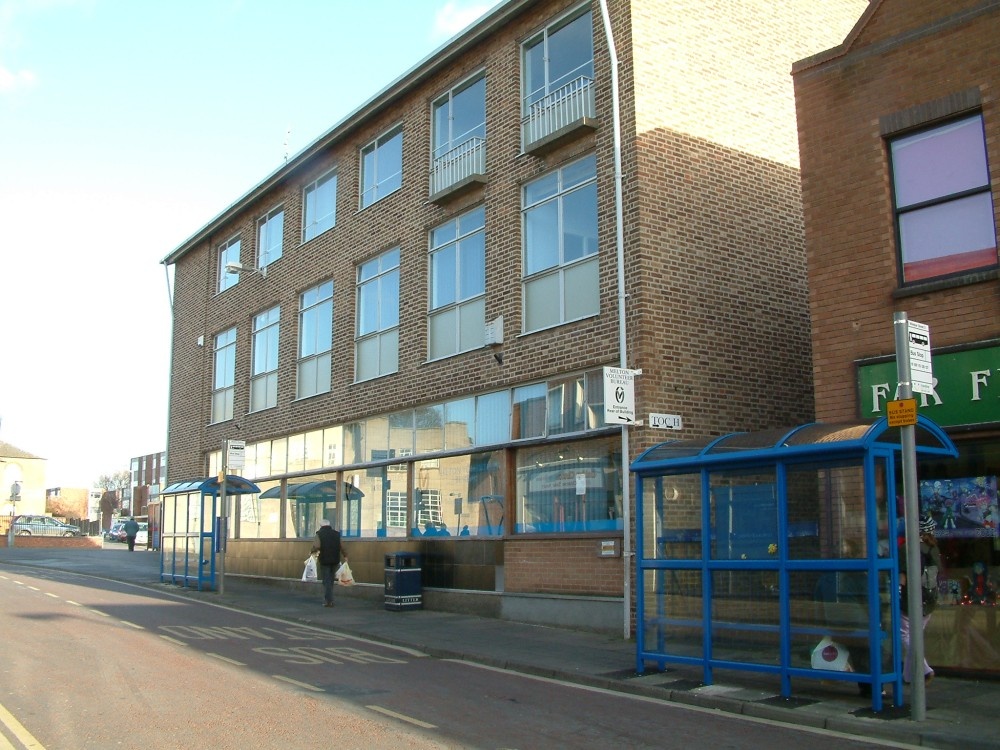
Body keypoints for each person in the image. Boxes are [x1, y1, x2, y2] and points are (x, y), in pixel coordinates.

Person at [899, 513, 942, 685]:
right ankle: (908, 676)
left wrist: (896, 593)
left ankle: (925, 670)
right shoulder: (933, 549)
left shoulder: (907, 549)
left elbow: (903, 579)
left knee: (904, 635)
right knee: (915, 636)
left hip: (912, 599)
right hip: (930, 600)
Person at [315, 519, 344, 608]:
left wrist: (312, 551)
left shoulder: (319, 534)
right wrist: (345, 555)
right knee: (331, 580)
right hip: (335, 560)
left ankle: (329, 601)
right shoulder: (336, 534)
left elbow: (317, 546)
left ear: (321, 526)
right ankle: (330, 598)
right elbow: (341, 546)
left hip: (324, 560)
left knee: (326, 581)